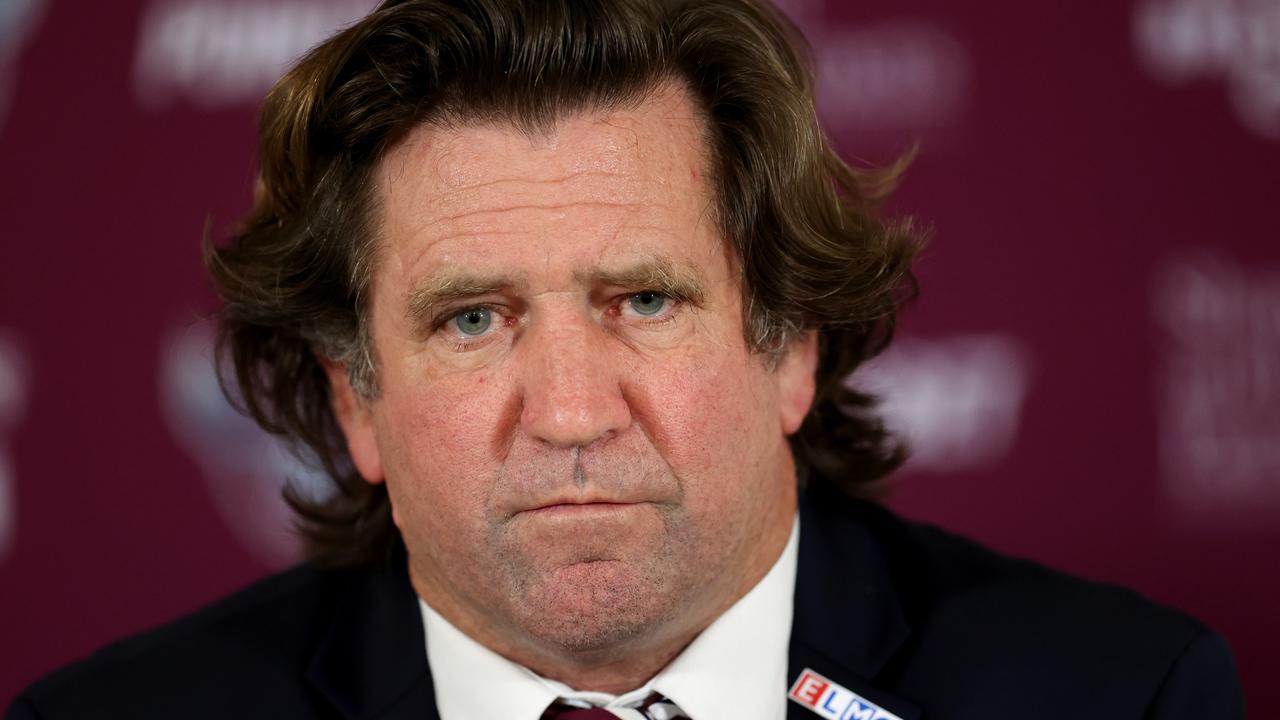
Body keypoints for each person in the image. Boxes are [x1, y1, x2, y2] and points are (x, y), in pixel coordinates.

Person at [8, 0, 1245, 718]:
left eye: (643, 299)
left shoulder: (1120, 698)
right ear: (354, 400)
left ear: (789, 347)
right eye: (471, 320)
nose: (568, 412)